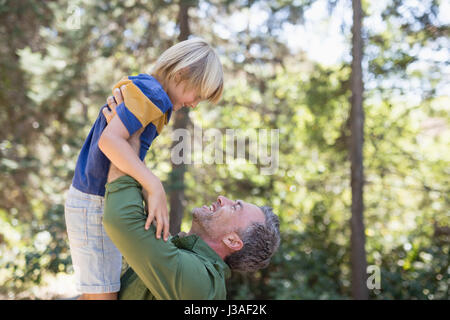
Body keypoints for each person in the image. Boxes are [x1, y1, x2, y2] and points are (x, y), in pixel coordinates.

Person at [64, 38, 224, 300]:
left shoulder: (150, 92)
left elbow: (129, 149)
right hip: (94, 201)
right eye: (198, 95)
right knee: (102, 295)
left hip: (96, 199)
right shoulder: (154, 95)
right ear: (181, 73)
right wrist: (153, 184)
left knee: (100, 289)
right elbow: (110, 141)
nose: (194, 104)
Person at [102, 126, 281, 300]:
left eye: (234, 207)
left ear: (232, 241)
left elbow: (121, 219)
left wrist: (127, 131)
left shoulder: (199, 284)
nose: (221, 198)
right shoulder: (186, 255)